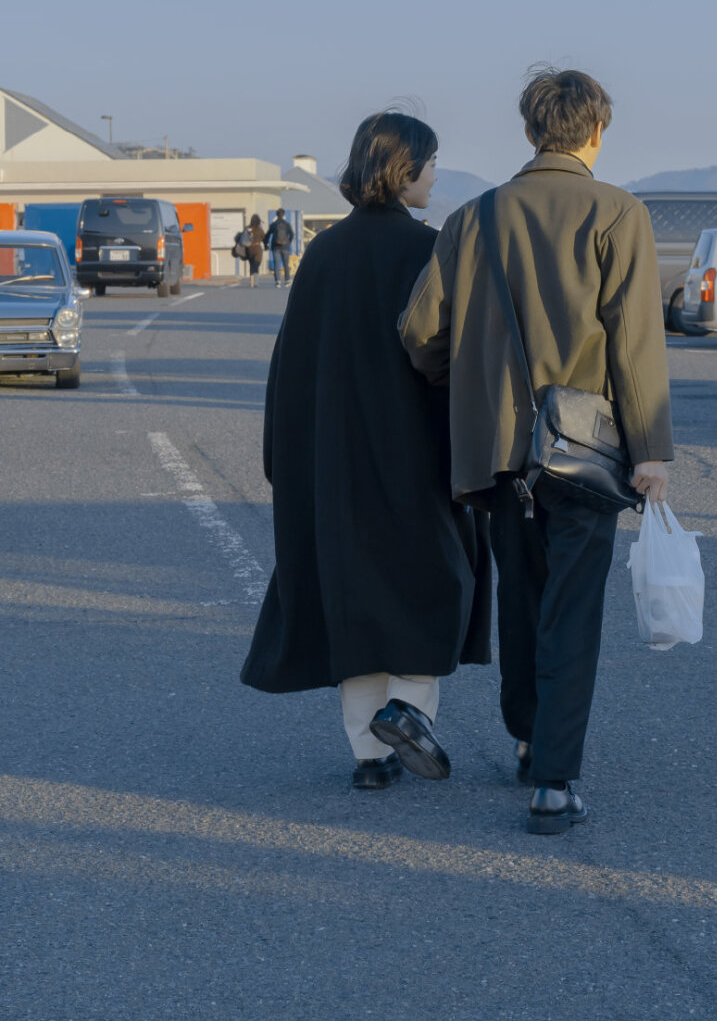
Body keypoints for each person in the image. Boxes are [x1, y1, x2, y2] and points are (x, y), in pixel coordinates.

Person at [400, 67, 673, 834]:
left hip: (496, 450)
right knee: (573, 610)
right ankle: (554, 781)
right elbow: (636, 345)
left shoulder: (476, 217)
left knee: (519, 598)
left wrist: (473, 385)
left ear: (529, 132)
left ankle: (526, 737)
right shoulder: (620, 214)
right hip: (585, 452)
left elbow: (421, 332)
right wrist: (650, 451)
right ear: (596, 132)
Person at [240, 112, 491, 792]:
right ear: (404, 168)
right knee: (440, 581)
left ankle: (369, 758)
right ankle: (408, 710)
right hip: (416, 451)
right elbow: (452, 358)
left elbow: (290, 364)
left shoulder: (323, 253)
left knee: (353, 597)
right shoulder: (430, 250)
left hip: (332, 458)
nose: (436, 178)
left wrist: (283, 457)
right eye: (431, 165)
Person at [265, 208, 294, 287]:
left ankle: (278, 281)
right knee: (286, 264)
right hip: (285, 246)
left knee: (276, 264)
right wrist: (288, 241)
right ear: (283, 215)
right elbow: (292, 234)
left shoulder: (274, 224)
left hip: (275, 246)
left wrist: (266, 244)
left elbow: (267, 235)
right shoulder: (287, 224)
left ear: (277, 215)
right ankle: (287, 280)